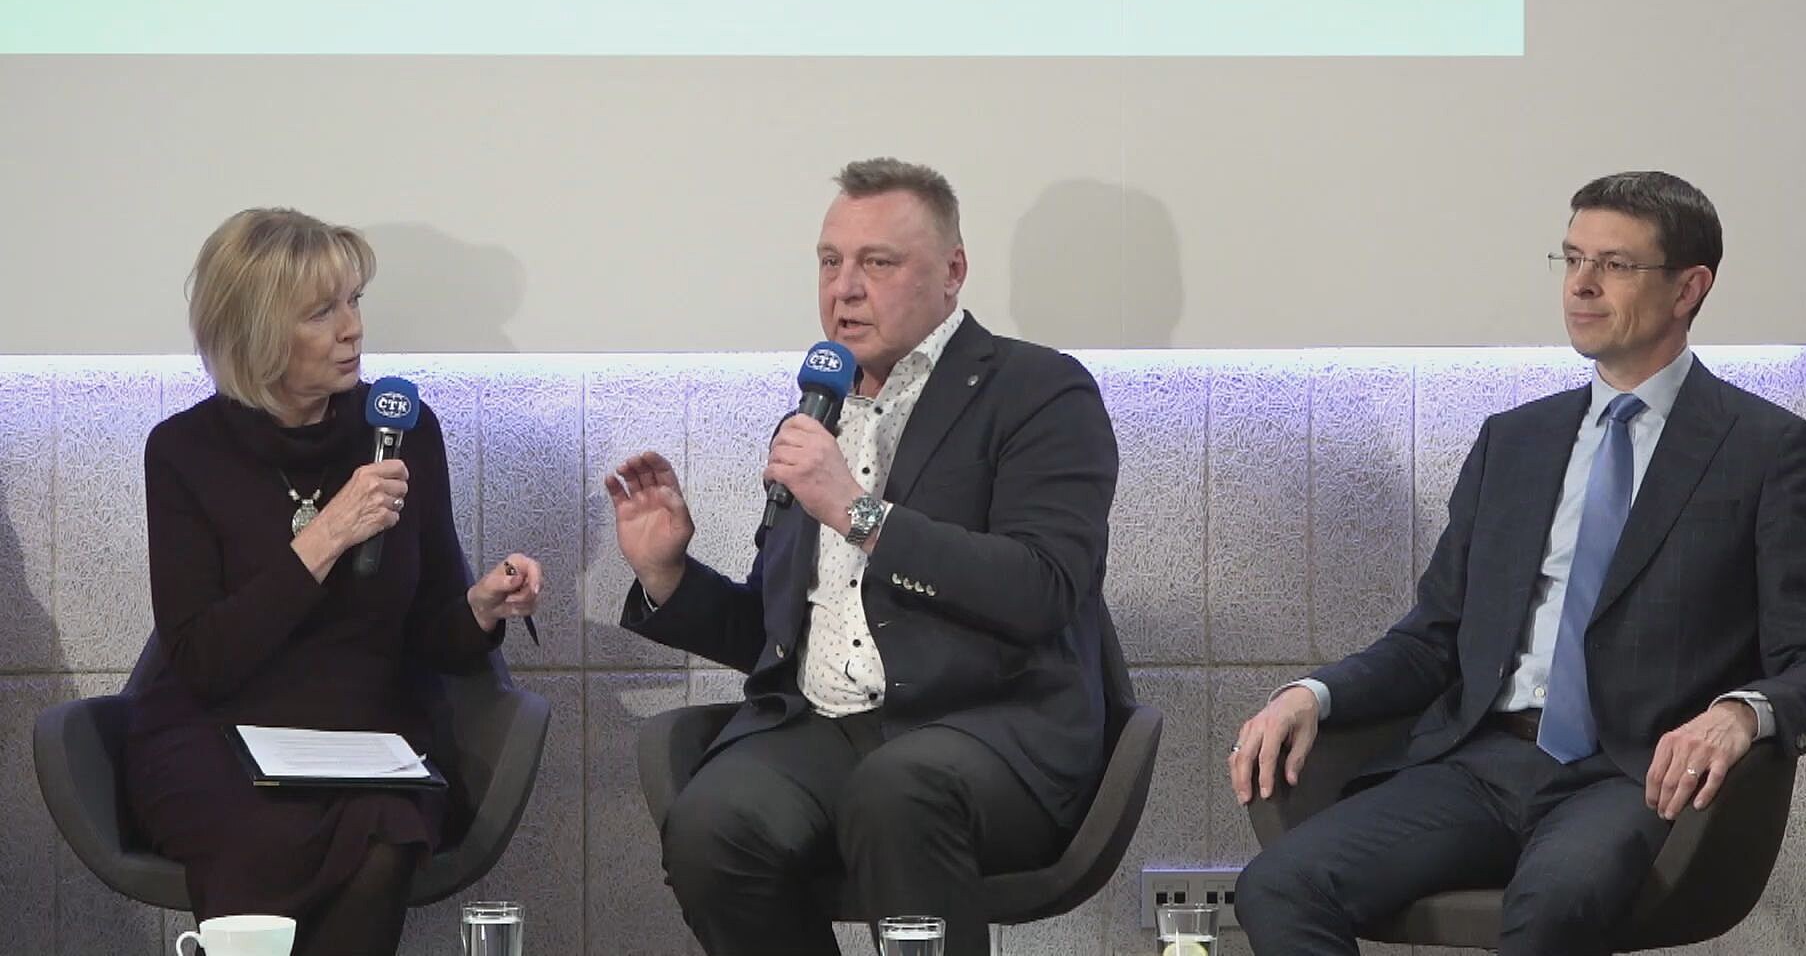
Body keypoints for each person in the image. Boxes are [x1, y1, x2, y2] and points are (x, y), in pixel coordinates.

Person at [1230, 171, 1806, 956]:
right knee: (1278, 885)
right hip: (1483, 764)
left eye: (1614, 265)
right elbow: (1434, 637)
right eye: (1571, 259)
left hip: (1629, 775)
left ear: (1688, 288)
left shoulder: (1763, 449)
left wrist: (1739, 713)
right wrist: (1313, 694)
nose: (1581, 286)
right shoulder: (1514, 441)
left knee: (1554, 906)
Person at [604, 158, 1121, 956]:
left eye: (877, 263)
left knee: (898, 790)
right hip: (821, 730)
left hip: (990, 726)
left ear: (952, 272)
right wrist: (666, 573)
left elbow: (1043, 589)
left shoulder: (1040, 393)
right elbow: (780, 635)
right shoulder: (818, 413)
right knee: (711, 826)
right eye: (829, 262)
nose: (844, 289)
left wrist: (856, 510)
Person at [125, 209, 544, 956]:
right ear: (256, 334)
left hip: (364, 739)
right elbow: (201, 659)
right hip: (217, 735)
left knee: (386, 831)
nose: (353, 329)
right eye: (323, 312)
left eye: (354, 301)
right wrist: (328, 535)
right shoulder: (183, 451)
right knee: (254, 832)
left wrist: (481, 608)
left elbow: (429, 632)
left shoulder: (406, 431)